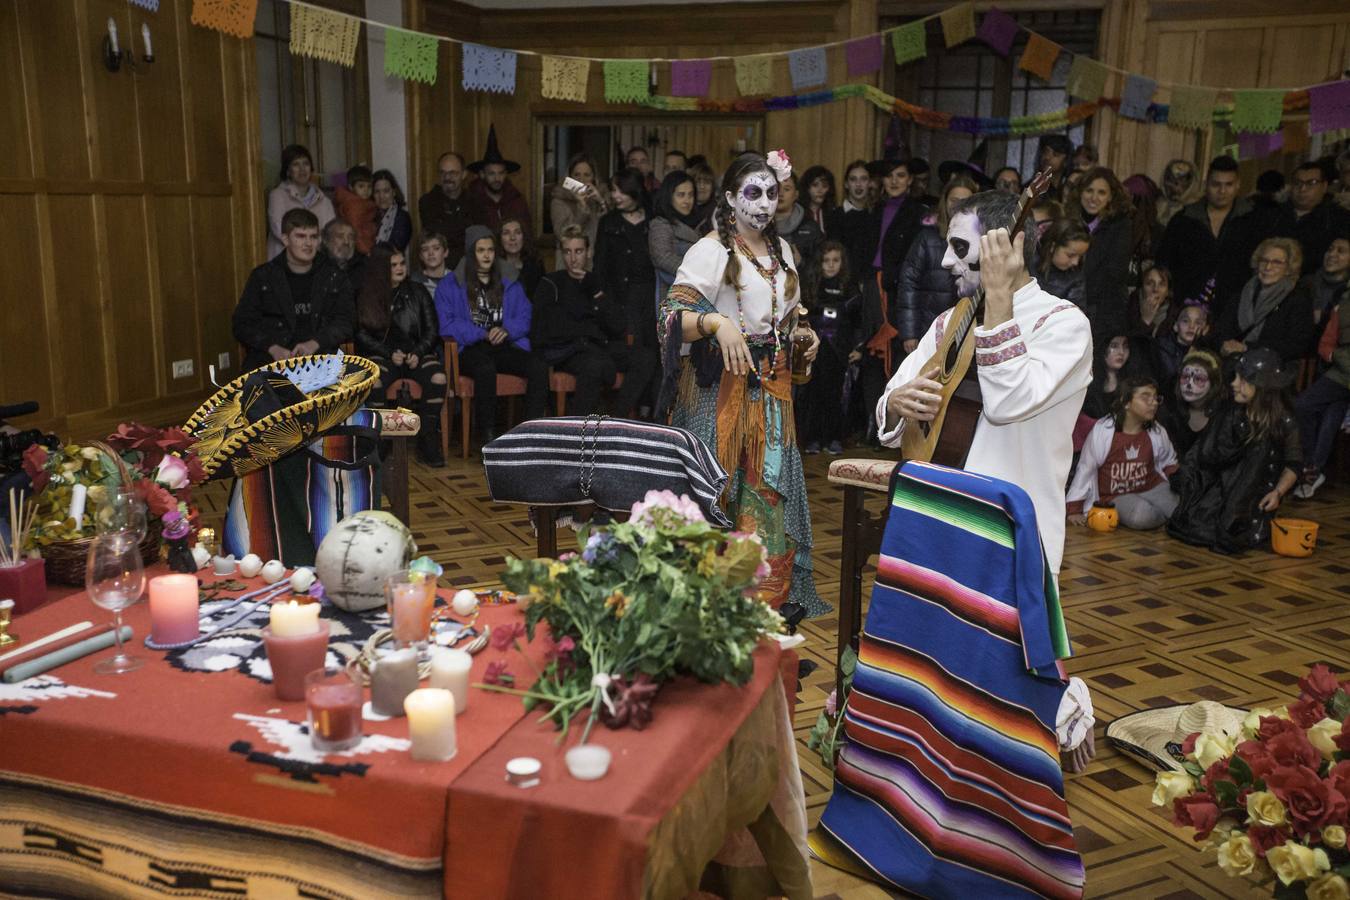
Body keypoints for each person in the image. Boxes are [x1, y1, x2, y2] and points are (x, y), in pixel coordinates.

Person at [877, 190, 1093, 577]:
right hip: (932, 512)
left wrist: (997, 302)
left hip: (1010, 531)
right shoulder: (951, 321)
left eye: (960, 247)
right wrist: (898, 403)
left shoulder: (1063, 324)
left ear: (1006, 250)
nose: (946, 261)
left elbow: (1007, 403)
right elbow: (892, 397)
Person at [657, 150, 825, 616]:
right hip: (718, 396)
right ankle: (709, 607)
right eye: (753, 192)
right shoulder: (710, 251)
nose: (765, 202)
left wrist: (803, 337)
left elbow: (787, 318)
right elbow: (671, 317)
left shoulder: (784, 251)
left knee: (767, 495)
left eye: (772, 192)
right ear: (731, 197)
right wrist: (715, 323)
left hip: (772, 396)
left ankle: (763, 606)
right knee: (719, 495)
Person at [1167, 348, 1301, 555]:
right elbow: (1208, 453)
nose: (1234, 384)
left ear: (1261, 386)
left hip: (1252, 496)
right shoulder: (1231, 413)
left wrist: (1277, 493)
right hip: (1220, 487)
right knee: (1198, 525)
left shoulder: (1284, 421)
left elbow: (1294, 464)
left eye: (1242, 379)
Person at [434, 226, 548, 444]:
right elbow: (447, 324)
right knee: (485, 369)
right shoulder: (449, 285)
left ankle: (532, 433)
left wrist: (507, 330)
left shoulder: (509, 280)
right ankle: (488, 436)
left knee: (538, 366)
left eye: (490, 250)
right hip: (470, 347)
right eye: (480, 250)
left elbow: (526, 315)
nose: (487, 255)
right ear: (470, 253)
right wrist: (482, 334)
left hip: (505, 343)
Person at [532, 226, 656, 417]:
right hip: (571, 350)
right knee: (594, 365)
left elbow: (618, 326)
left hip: (602, 346)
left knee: (645, 357)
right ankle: (576, 430)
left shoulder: (599, 282)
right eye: (568, 252)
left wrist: (597, 294)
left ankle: (617, 419)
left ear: (588, 253)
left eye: (578, 251)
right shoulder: (551, 283)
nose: (573, 258)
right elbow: (548, 329)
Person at [355, 246, 445, 465]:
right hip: (383, 356)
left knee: (438, 378)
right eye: (393, 265)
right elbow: (360, 334)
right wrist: (387, 352)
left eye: (401, 264)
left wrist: (418, 352)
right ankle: (380, 440)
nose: (399, 268)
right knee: (374, 382)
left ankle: (428, 437)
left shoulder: (418, 291)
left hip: (416, 354)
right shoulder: (367, 294)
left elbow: (433, 330)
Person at [234, 208, 354, 371]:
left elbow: (346, 322)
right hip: (270, 361)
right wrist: (272, 347)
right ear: (285, 239)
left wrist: (315, 343)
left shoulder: (334, 276)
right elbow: (242, 323)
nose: (308, 243)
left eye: (313, 236)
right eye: (300, 236)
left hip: (320, 359)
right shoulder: (263, 276)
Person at [1067, 377, 1179, 529]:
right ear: (1126, 402)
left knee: (1180, 510)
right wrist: (1074, 509)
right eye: (1145, 397)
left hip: (1151, 487)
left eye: (1155, 398)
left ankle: (1169, 519)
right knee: (1141, 516)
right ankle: (1167, 521)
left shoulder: (1157, 431)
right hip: (1115, 496)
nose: (1153, 403)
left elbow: (1169, 462)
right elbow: (1086, 468)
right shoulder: (1103, 431)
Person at [594, 167, 659, 412]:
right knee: (635, 353)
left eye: (620, 190)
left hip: (650, 297)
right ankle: (622, 414)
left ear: (634, 191)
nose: (615, 195)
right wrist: (602, 299)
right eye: (613, 190)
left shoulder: (653, 220)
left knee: (653, 353)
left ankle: (648, 410)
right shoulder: (608, 222)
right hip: (620, 299)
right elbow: (599, 265)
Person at [1156, 155, 1255, 315]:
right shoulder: (1183, 220)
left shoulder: (1252, 221)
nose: (1222, 191)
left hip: (1235, 311)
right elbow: (1164, 263)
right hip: (1186, 311)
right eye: (1216, 184)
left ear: (1238, 185)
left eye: (1228, 184)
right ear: (1206, 184)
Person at [897, 174, 975, 353]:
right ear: (944, 202)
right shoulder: (926, 238)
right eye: (954, 200)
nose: (959, 206)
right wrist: (910, 333)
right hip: (928, 328)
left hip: (965, 330)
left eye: (966, 201)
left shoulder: (981, 241)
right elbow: (908, 284)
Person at [799, 241, 860, 455]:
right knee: (813, 394)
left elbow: (858, 322)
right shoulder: (811, 287)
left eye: (836, 260)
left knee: (837, 396)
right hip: (815, 349)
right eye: (826, 261)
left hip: (840, 351)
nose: (831, 265)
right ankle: (813, 438)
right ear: (819, 263)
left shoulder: (850, 288)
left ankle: (833, 438)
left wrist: (858, 348)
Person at [1215, 237, 1314, 365]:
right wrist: (1224, 345)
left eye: (1277, 262)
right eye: (1264, 261)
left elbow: (1296, 344)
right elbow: (1220, 330)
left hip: (1273, 367)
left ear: (1289, 268)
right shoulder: (1241, 294)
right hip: (1231, 360)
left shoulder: (1298, 299)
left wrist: (1248, 348)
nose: (1268, 267)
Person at [1294, 275, 1350, 499]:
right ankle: (1312, 467)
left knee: (1329, 409)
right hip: (1341, 371)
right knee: (1311, 406)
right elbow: (1326, 343)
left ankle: (1311, 469)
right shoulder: (1343, 307)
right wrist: (1335, 355)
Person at [1066, 166, 1134, 338]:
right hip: (1068, 305)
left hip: (1104, 313)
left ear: (1111, 196)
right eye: (1089, 190)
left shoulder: (1121, 226)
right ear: (1080, 192)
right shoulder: (1067, 220)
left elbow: (1114, 272)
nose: (1094, 198)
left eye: (1101, 192)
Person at [1259, 161, 1350, 278]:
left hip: (1315, 287)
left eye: (1311, 183)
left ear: (1324, 186)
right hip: (1271, 281)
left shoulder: (1339, 218)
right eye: (1297, 183)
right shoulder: (1272, 215)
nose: (1303, 189)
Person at [266, 144, 335, 259]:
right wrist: (308, 244)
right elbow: (279, 230)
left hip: (315, 261)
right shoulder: (277, 195)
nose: (302, 169)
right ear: (288, 171)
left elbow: (330, 233)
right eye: (296, 164)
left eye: (306, 164)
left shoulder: (324, 201)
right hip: (282, 261)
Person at [648, 171, 704, 302]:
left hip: (698, 293)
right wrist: (698, 272)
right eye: (681, 195)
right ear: (669, 196)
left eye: (691, 195)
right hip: (673, 294)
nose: (687, 200)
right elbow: (663, 258)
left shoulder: (698, 223)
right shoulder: (661, 224)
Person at [1156, 349, 1223, 457]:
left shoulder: (1223, 416)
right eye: (1185, 377)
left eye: (1199, 379)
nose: (1189, 385)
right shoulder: (1170, 413)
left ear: (1213, 384)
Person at [467, 125, 532, 236]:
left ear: (506, 174)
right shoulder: (471, 201)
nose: (497, 178)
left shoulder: (517, 201)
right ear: (482, 174)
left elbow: (527, 234)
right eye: (492, 173)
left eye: (501, 173)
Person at [548, 153, 608, 269]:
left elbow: (610, 227)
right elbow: (562, 234)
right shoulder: (559, 200)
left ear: (594, 178)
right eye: (577, 175)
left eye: (587, 175)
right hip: (569, 265)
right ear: (569, 178)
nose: (582, 180)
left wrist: (601, 201)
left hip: (597, 264)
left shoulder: (600, 198)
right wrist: (582, 207)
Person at [418, 151, 471, 269]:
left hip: (469, 269)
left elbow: (475, 240)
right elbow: (436, 238)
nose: (447, 177)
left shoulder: (475, 202)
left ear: (464, 174)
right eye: (443, 173)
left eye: (453, 173)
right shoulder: (428, 202)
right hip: (438, 269)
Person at [1148, 292, 1211, 389]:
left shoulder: (1208, 355)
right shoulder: (1160, 348)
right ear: (1176, 326)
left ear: (1206, 328)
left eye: (1198, 322)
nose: (1192, 326)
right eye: (1186, 321)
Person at [828, 159, 875, 283]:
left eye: (863, 179)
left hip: (868, 283)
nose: (858, 184)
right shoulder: (835, 216)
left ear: (870, 183)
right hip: (841, 282)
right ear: (846, 184)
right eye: (853, 179)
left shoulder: (876, 215)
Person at [1034, 217, 1090, 313]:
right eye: (1070, 255)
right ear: (1053, 246)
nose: (1075, 262)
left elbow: (1076, 314)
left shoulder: (1076, 277)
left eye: (1080, 256)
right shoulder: (1028, 258)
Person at [773, 172, 823, 267]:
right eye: (776, 188)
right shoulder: (758, 226)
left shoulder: (810, 228)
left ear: (796, 194)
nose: (780, 193)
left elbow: (820, 268)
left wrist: (801, 263)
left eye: (787, 189)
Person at [1301, 234, 1349, 325]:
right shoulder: (1305, 283)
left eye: (1341, 251)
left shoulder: (1347, 293)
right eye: (1330, 249)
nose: (1332, 254)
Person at [333, 165, 377, 255]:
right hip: (360, 247)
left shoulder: (361, 202)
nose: (366, 190)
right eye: (361, 186)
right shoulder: (354, 204)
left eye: (369, 186)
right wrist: (366, 250)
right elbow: (355, 229)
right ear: (351, 187)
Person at [497, 217, 543, 298]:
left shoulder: (536, 266)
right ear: (500, 239)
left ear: (524, 237)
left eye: (517, 232)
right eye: (506, 233)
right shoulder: (494, 268)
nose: (512, 238)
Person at [1128, 262, 1174, 340]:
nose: (1155, 289)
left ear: (1167, 292)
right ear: (1142, 288)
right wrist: (1145, 320)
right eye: (1149, 283)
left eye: (1161, 284)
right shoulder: (1129, 308)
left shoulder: (1174, 316)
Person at [321, 219, 366, 295]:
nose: (346, 242)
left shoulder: (364, 267)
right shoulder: (315, 266)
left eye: (351, 237)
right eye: (340, 236)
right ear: (326, 240)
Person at [371, 169, 412, 253]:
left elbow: (396, 247)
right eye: (377, 192)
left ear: (394, 192)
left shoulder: (402, 217)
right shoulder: (368, 215)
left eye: (386, 191)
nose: (381, 196)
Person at [1157, 158, 1201, 229]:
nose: (1172, 186)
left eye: (1180, 181)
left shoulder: (1196, 210)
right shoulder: (1158, 204)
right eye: (1170, 179)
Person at [409, 230, 451, 298]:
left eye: (436, 248)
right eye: (425, 249)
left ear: (445, 252)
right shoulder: (415, 282)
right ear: (421, 256)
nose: (431, 253)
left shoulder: (456, 279)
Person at [799, 165, 836, 235]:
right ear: (807, 188)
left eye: (824, 186)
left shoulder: (833, 215)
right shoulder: (798, 214)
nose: (820, 190)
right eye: (815, 185)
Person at [687, 160, 718, 229]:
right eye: (697, 182)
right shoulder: (683, 207)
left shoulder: (717, 211)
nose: (702, 186)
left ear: (713, 187)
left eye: (707, 182)